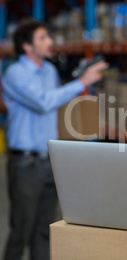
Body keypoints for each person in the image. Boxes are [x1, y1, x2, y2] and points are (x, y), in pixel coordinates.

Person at [1, 19, 108, 260]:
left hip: (49, 161)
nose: (50, 42)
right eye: (43, 38)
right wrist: (81, 82)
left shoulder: (48, 71)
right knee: (21, 231)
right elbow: (43, 102)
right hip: (25, 164)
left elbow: (54, 100)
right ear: (27, 46)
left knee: (45, 230)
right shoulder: (15, 73)